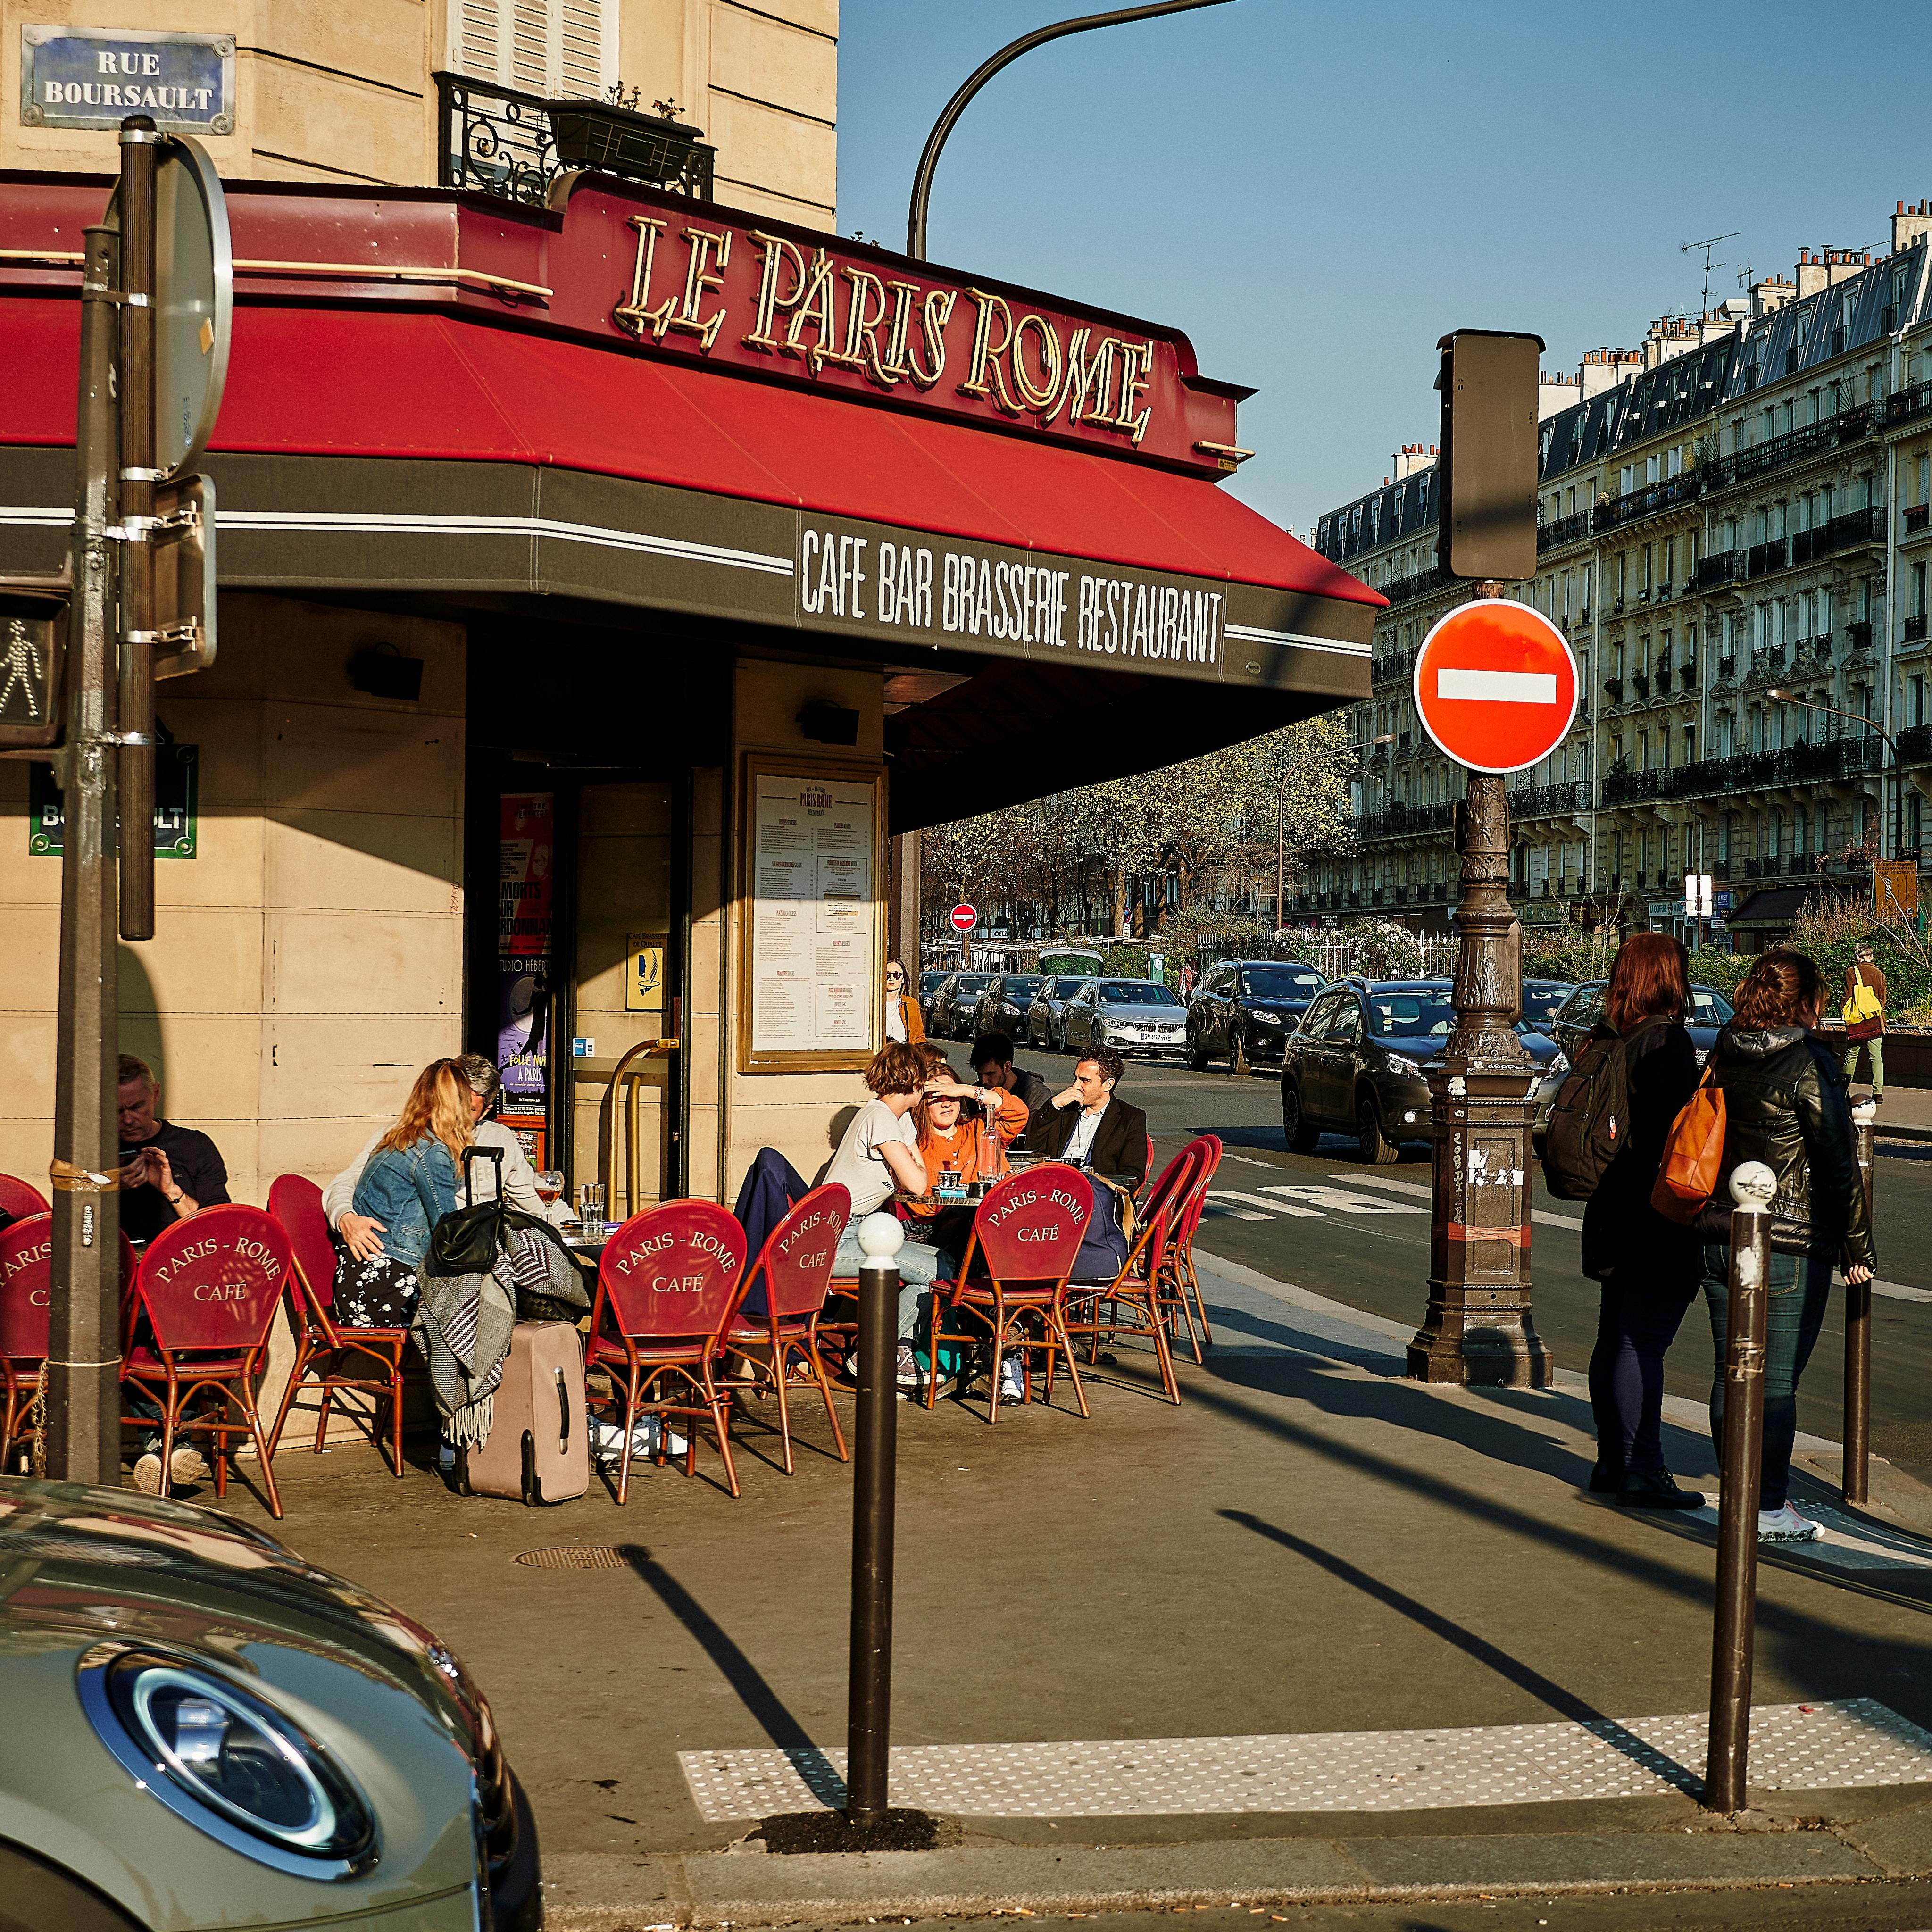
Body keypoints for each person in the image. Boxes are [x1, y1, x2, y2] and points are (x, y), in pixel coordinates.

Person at [1694, 948, 1876, 1543]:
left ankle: (1740, 1495)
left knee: (1732, 1370)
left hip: (1721, 1230)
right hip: (1788, 1239)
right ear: (1807, 1001)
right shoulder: (1808, 1061)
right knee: (1774, 1382)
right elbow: (1836, 1163)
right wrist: (1857, 1249)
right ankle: (1766, 1505)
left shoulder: (1725, 1049)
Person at [1579, 933, 1705, 1510]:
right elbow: (1673, 1136)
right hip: (1651, 1210)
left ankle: (1612, 1459)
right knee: (1643, 1342)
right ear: (1665, 978)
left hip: (1608, 1207)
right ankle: (1644, 1466)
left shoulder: (1607, 1038)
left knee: (1614, 1336)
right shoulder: (1665, 1042)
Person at [325, 1053, 560, 1262]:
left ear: (486, 1111)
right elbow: (348, 1181)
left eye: (468, 1108)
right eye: (453, 1101)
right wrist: (346, 1217)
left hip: (479, 1251)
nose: (456, 1112)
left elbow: (535, 1198)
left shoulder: (499, 1138)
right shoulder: (407, 1136)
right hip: (435, 1254)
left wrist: (580, 1230)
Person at [339, 1060, 473, 1327]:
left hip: (360, 1281)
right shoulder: (431, 1152)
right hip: (388, 1286)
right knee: (485, 1303)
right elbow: (448, 1231)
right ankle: (477, 1369)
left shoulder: (399, 1138)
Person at [116, 1054, 229, 1243]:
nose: (128, 1120)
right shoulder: (91, 1150)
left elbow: (218, 1229)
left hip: (183, 1260)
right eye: (117, 1110)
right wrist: (108, 1184)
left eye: (137, 1107)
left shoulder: (194, 1146)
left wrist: (171, 1190)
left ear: (156, 1094)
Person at [1023, 1046, 1149, 1190]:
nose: (1075, 1086)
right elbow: (1030, 1146)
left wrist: (1093, 1183)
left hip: (1097, 1194)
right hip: (1052, 1190)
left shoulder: (1130, 1118)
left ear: (1108, 1085)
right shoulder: (1064, 1109)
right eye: (1076, 1078)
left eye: (1085, 1080)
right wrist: (1053, 1106)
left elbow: (1132, 1176)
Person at [970, 1031, 1051, 1119]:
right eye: (979, 1074)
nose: (984, 1081)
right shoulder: (977, 1091)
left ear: (1007, 1067)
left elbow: (1038, 1130)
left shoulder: (1034, 1094)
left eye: (990, 1074)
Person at [1842, 941, 1885, 1106]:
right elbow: (1882, 999)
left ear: (1857, 956)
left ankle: (1843, 1089)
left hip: (1857, 1022)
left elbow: (1847, 996)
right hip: (1875, 1021)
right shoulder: (1879, 973)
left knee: (1852, 1056)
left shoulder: (1851, 972)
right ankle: (1878, 1092)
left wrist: (1843, 1013)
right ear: (1871, 956)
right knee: (1876, 1056)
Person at [883, 958, 925, 1045]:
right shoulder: (873, 1004)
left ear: (903, 979)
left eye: (897, 975)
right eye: (887, 975)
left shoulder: (911, 1004)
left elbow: (919, 1038)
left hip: (906, 1057)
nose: (891, 979)